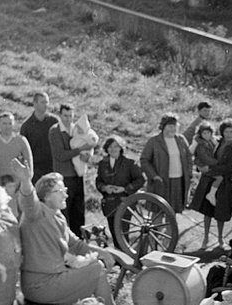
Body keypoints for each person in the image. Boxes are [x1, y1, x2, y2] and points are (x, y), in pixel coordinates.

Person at [13, 159, 116, 305]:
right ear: (46, 196)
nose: (66, 195)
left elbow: (75, 244)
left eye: (65, 191)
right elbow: (27, 201)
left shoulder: (57, 215)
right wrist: (25, 181)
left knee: (95, 266)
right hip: (40, 285)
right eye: (60, 192)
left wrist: (104, 252)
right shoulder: (36, 213)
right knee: (97, 269)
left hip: (54, 278)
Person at [94, 136, 144, 247]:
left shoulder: (129, 163)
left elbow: (140, 180)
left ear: (121, 148)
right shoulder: (103, 163)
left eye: (116, 146)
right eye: (110, 146)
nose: (113, 149)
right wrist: (104, 188)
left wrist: (125, 189)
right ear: (106, 148)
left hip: (124, 202)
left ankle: (126, 258)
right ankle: (119, 260)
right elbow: (98, 181)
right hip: (109, 203)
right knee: (114, 232)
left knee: (122, 234)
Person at [140, 112, 193, 215]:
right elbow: (144, 160)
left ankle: (170, 231)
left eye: (175, 126)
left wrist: (189, 174)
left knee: (172, 213)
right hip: (161, 181)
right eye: (170, 126)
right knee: (158, 211)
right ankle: (156, 231)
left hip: (178, 181)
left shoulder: (181, 140)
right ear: (163, 126)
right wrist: (154, 176)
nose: (173, 129)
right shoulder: (154, 141)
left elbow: (189, 157)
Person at [48, 102, 89, 235]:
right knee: (65, 211)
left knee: (78, 211)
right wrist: (80, 150)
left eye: (70, 116)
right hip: (64, 176)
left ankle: (79, 240)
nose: (68, 119)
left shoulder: (77, 129)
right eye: (65, 116)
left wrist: (86, 156)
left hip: (77, 175)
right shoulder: (55, 131)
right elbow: (60, 155)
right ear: (60, 115)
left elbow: (88, 146)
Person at [188, 122, 220, 247]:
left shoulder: (212, 142)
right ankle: (211, 194)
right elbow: (205, 158)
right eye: (204, 133)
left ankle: (218, 238)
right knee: (219, 178)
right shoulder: (201, 145)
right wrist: (218, 163)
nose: (207, 135)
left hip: (210, 168)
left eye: (209, 133)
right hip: (208, 168)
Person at [210, 119, 232, 245]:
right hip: (212, 179)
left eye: (231, 131)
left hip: (226, 181)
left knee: (221, 211)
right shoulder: (217, 142)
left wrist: (211, 170)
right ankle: (206, 236)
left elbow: (230, 167)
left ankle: (219, 237)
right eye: (226, 131)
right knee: (208, 210)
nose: (228, 134)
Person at [0, 111, 33, 183]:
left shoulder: (21, 141)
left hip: (16, 182)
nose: (7, 126)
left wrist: (25, 182)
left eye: (10, 123)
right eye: (4, 124)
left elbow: (29, 163)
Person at [19, 92, 59, 181]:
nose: (46, 105)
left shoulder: (54, 122)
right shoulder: (27, 126)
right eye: (42, 102)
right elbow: (22, 151)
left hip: (53, 168)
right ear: (35, 104)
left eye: (47, 102)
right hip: (36, 170)